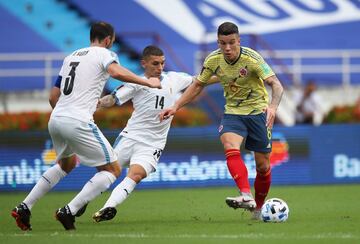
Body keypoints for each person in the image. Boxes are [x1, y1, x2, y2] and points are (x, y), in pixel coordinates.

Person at [11, 21, 161, 231]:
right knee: (112, 169)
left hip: (56, 118)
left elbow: (53, 96)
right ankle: (69, 210)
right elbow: (116, 73)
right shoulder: (104, 55)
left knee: (67, 164)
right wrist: (147, 82)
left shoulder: (71, 56)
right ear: (108, 40)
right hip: (78, 120)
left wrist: (65, 115)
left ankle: (25, 207)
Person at [159, 22, 284, 220]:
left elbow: (276, 84)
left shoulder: (252, 58)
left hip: (257, 112)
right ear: (218, 42)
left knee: (263, 167)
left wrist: (273, 107)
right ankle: (245, 195)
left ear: (239, 41)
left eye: (232, 43)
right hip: (233, 113)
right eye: (223, 43)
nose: (227, 48)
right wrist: (176, 106)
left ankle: (258, 208)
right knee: (229, 144)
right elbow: (198, 85)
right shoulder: (213, 60)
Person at [90, 45, 195, 222]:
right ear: (144, 63)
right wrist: (97, 103)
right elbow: (113, 99)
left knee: (136, 175)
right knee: (107, 173)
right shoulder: (136, 82)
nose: (160, 67)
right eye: (155, 63)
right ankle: (79, 204)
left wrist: (225, 76)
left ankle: (108, 208)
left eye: (162, 63)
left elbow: (200, 80)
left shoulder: (174, 79)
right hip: (130, 137)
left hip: (153, 144)